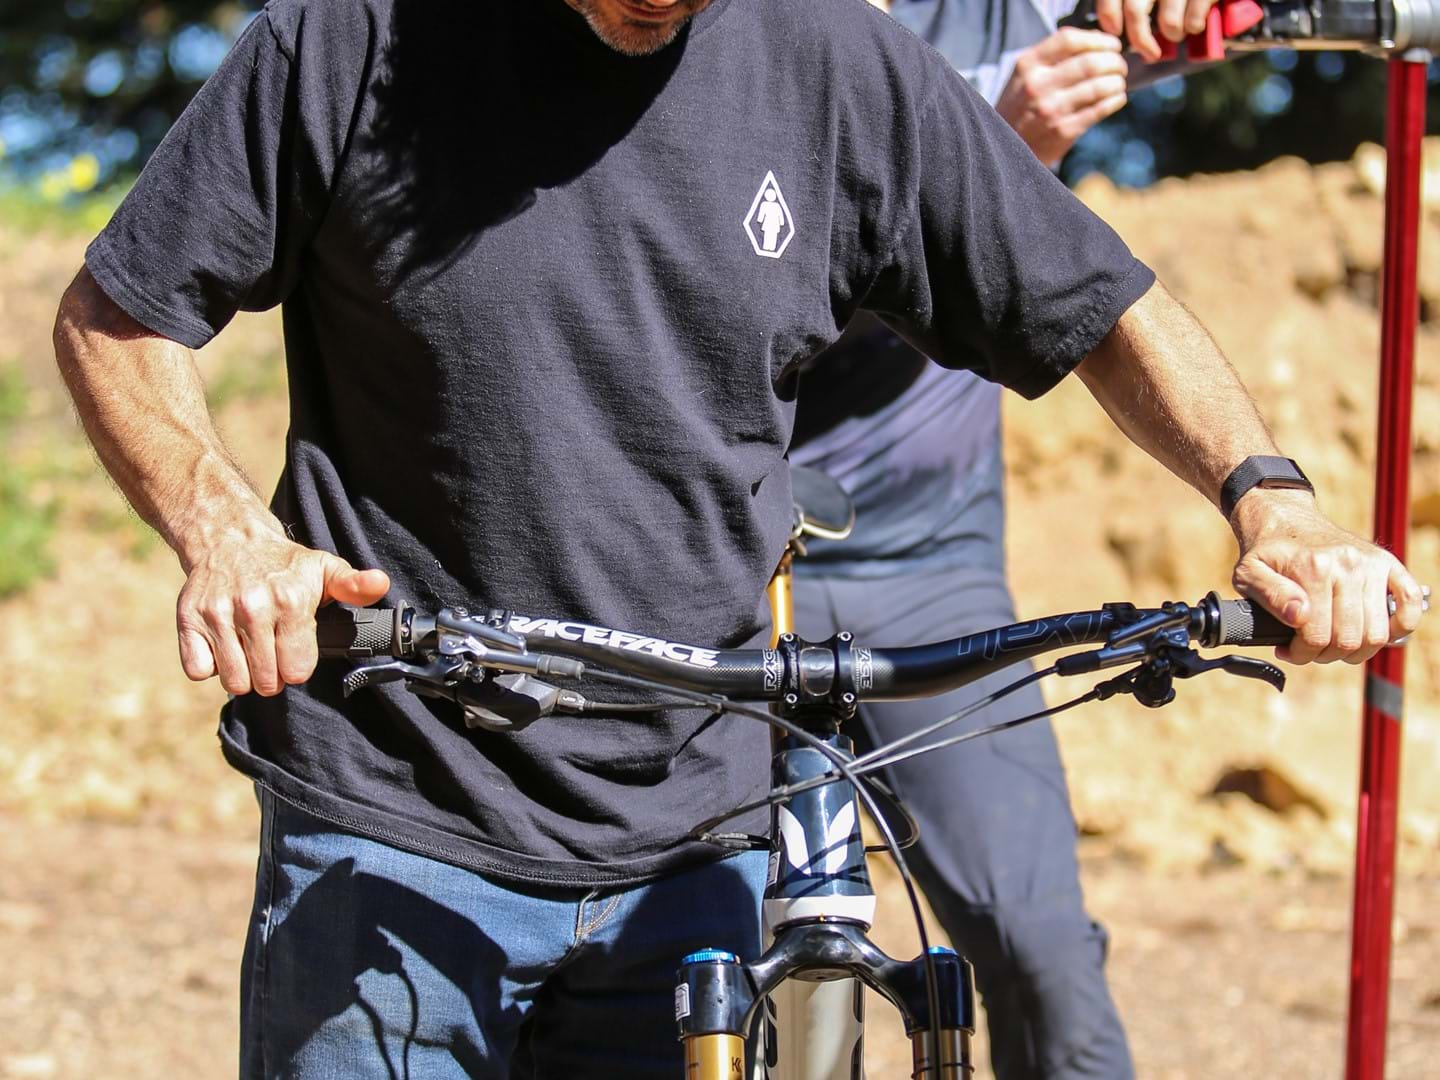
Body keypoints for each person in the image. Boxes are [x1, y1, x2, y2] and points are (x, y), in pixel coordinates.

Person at [50, 0, 1422, 1076]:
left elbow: (1098, 305)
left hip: (693, 842)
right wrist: (223, 526)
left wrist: (1273, 500)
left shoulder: (836, 66)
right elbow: (120, 316)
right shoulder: (347, 38)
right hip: (398, 813)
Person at [790, 2, 1212, 1076]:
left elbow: (1237, 23)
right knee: (692, 966)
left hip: (931, 568)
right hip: (702, 558)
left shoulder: (1005, 10)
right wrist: (997, 164)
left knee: (1041, 957)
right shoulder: (713, 30)